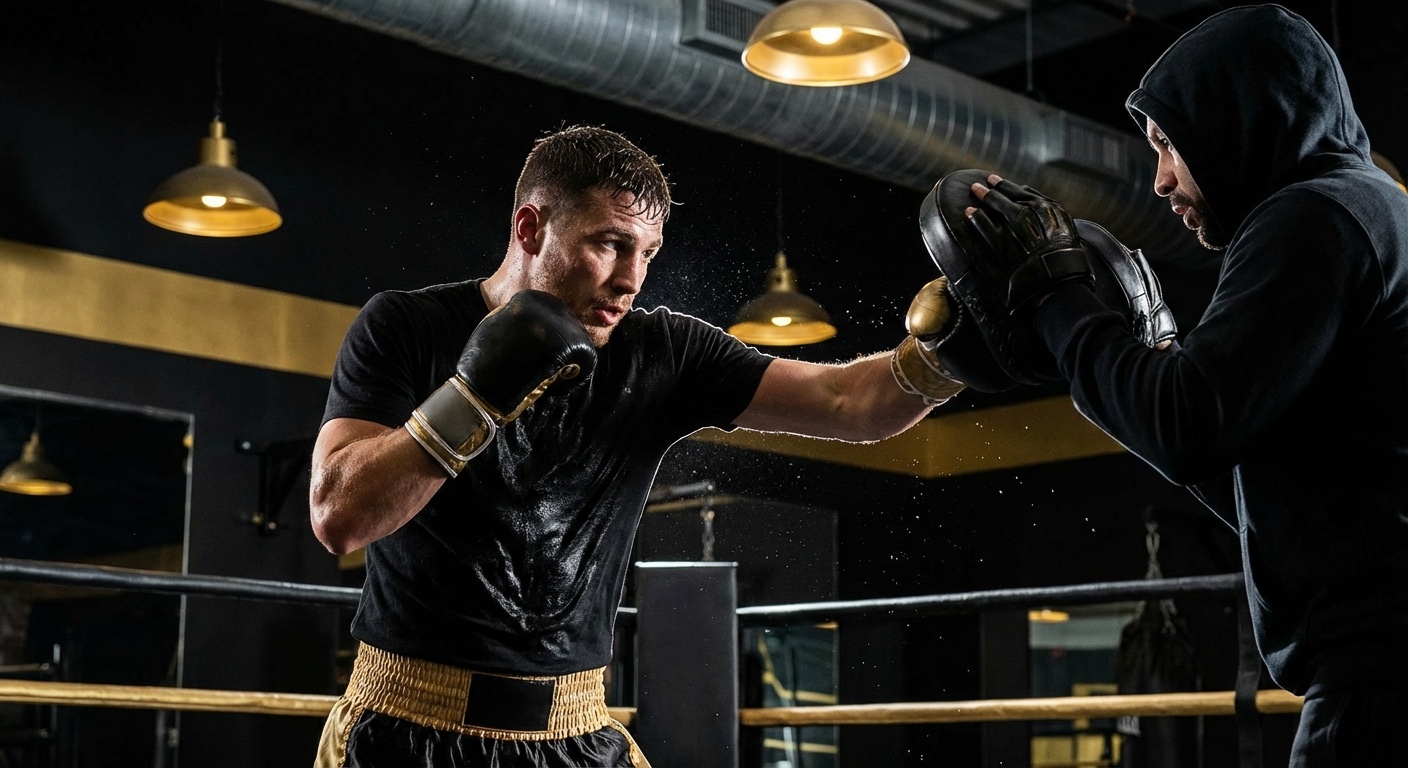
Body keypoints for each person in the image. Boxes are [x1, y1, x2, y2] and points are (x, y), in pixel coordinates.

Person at [307, 124, 965, 767]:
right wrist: (474, 397)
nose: (631, 279)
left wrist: (952, 349)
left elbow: (849, 403)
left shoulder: (661, 353)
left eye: (647, 253)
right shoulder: (406, 327)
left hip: (578, 736)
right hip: (405, 728)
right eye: (610, 244)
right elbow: (339, 517)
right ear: (530, 229)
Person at [953, 5, 1408, 765]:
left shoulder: (1311, 217)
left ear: (1240, 120)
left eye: (1170, 145)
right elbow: (1242, 462)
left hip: (1380, 685)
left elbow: (1184, 424)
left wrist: (1053, 296)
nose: (1160, 179)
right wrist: (1149, 351)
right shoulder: (1374, 210)